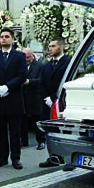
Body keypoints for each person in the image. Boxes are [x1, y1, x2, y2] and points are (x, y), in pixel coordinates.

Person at [0, 28, 27, 170]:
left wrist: (8, 87)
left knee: (15, 132)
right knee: (0, 132)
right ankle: (2, 158)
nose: (3, 39)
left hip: (13, 98)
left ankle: (16, 158)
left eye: (7, 36)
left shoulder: (19, 56)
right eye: (2, 37)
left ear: (12, 39)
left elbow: (22, 75)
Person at [38, 37, 73, 169]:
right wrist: (45, 98)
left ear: (61, 47)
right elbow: (41, 83)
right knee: (50, 131)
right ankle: (53, 156)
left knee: (65, 131)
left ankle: (69, 159)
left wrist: (53, 98)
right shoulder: (47, 65)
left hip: (62, 103)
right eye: (50, 46)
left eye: (53, 46)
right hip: (47, 104)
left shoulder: (69, 63)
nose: (50, 49)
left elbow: (67, 83)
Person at [21, 48, 44, 149]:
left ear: (32, 56)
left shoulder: (40, 66)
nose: (26, 59)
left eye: (28, 57)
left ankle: (41, 141)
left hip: (35, 96)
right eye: (24, 57)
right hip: (22, 96)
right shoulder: (20, 66)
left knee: (37, 120)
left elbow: (42, 80)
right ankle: (23, 141)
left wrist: (29, 81)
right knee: (22, 120)